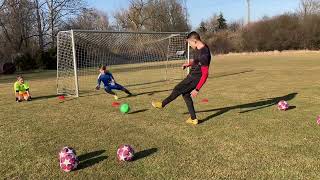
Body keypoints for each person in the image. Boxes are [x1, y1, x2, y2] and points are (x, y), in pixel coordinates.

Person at [152, 31, 211, 125]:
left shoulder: (204, 54)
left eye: (190, 43)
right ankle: (193, 119)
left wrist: (197, 89)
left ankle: (162, 104)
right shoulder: (200, 48)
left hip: (194, 78)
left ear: (195, 41)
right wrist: (189, 64)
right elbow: (197, 61)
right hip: (193, 76)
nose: (189, 45)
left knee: (177, 89)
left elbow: (205, 74)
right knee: (186, 95)